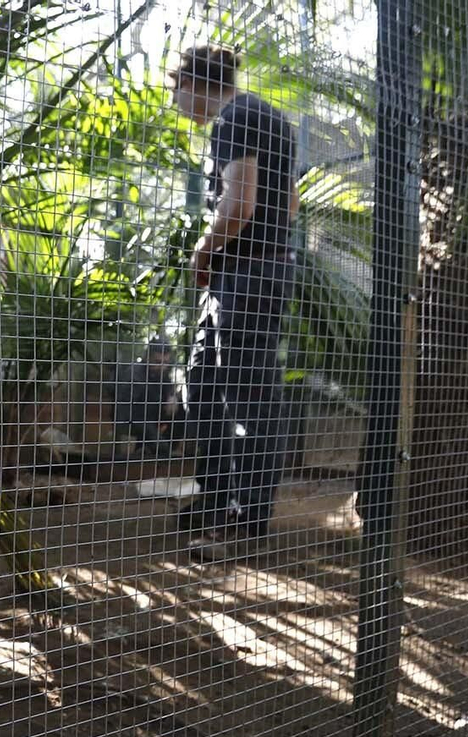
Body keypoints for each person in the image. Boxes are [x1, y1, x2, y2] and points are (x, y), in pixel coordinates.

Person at [169, 46, 299, 559]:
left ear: (196, 82)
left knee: (247, 392)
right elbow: (286, 200)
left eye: (175, 87)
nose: (174, 100)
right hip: (251, 268)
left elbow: (239, 201)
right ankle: (216, 497)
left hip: (246, 272)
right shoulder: (265, 116)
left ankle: (247, 517)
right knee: (205, 381)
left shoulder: (235, 118)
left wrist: (206, 248)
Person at [111, 335, 180, 449]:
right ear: (147, 358)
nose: (162, 366)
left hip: (152, 418)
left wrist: (172, 397)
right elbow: (126, 411)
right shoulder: (134, 375)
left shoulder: (162, 374)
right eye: (158, 362)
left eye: (165, 362)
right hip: (132, 419)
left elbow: (169, 390)